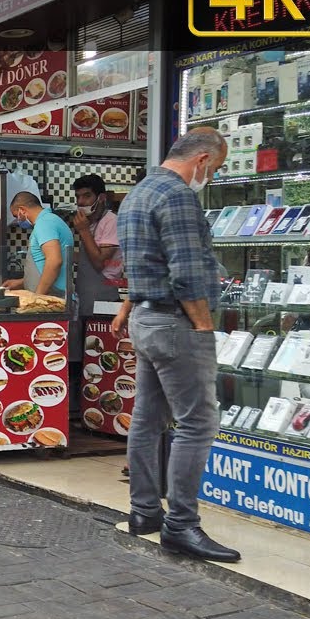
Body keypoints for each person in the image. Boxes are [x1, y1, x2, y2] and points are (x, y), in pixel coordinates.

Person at [111, 127, 240, 563]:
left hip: (146, 320)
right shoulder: (178, 196)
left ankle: (144, 511)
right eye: (214, 169)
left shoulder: (138, 193)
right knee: (197, 424)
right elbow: (185, 273)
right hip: (175, 322)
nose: (211, 177)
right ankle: (182, 524)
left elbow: (137, 266)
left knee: (147, 419)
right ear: (201, 160)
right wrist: (203, 327)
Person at [72, 175, 124, 318]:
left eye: (87, 196)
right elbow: (87, 258)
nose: (80, 202)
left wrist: (84, 231)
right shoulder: (90, 223)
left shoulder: (111, 221)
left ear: (101, 198)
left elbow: (99, 262)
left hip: (104, 300)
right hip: (85, 298)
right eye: (78, 196)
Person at [5, 191, 73, 299]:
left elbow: (54, 261)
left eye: (16, 216)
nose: (17, 221)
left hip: (53, 299)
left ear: (22, 210)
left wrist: (37, 298)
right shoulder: (48, 221)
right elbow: (43, 266)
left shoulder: (45, 223)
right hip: (51, 296)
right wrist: (21, 282)